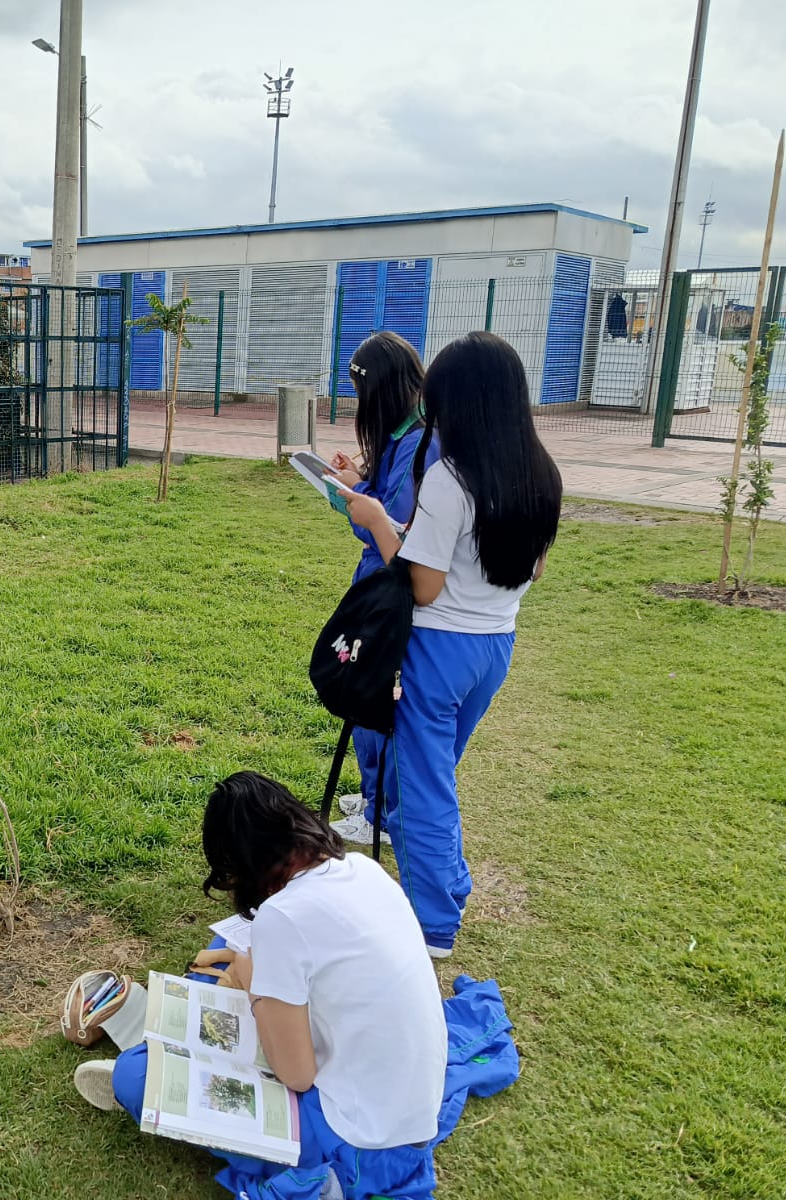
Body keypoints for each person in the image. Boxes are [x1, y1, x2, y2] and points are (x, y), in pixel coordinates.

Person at [73, 772, 447, 1200]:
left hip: (356, 1138)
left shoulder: (282, 917)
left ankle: (155, 1054)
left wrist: (251, 985)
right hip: (406, 1110)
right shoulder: (362, 868)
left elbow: (297, 1076)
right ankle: (167, 1034)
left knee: (136, 1077)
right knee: (229, 945)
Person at [341, 332, 561, 957]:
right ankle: (450, 881)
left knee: (420, 790)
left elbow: (425, 588)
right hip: (495, 648)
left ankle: (432, 924)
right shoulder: (538, 476)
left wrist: (380, 522)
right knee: (434, 778)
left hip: (436, 653)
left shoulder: (447, 480)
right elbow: (531, 570)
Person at [323, 331, 439, 849]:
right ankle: (373, 795)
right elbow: (381, 504)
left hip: (389, 585)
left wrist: (351, 502)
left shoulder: (419, 443)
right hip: (376, 581)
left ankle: (383, 815)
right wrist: (353, 481)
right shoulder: (402, 434)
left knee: (374, 695)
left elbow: (390, 526)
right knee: (361, 690)